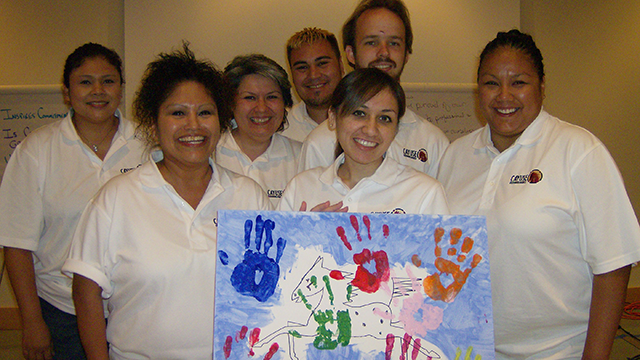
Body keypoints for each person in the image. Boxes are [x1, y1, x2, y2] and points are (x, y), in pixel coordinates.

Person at [437, 29, 640, 359]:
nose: (504, 95)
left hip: (558, 352)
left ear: (542, 87)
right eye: (491, 83)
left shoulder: (578, 151)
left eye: (519, 82)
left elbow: (613, 266)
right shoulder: (456, 155)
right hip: (469, 349)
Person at [63, 44, 271, 359]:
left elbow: (268, 286)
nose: (193, 126)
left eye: (205, 112)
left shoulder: (248, 194)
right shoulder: (118, 197)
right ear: (153, 124)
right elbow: (86, 290)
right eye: (177, 113)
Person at [0, 43, 145, 360]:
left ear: (121, 87)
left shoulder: (148, 145)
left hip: (137, 306)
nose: (98, 91)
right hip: (63, 311)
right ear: (67, 91)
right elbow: (16, 244)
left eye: (108, 80)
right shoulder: (37, 151)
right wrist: (32, 320)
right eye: (85, 82)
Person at [298, 0, 449, 178]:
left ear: (406, 54)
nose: (383, 52)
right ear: (351, 54)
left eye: (394, 43)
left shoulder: (433, 142)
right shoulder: (320, 142)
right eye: (371, 42)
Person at [279, 68, 449, 215]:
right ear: (332, 117)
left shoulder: (424, 192)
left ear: (396, 128)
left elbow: (440, 253)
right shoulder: (301, 187)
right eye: (359, 114)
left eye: (384, 118)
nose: (370, 129)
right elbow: (274, 251)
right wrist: (301, 234)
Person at [215, 54, 301, 206]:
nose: (261, 108)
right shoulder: (211, 152)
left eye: (272, 97)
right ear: (231, 103)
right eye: (250, 98)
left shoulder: (302, 156)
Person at [281, 27, 344, 142]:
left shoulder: (366, 120)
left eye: (322, 63)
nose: (313, 75)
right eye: (302, 67)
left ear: (341, 66)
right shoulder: (281, 131)